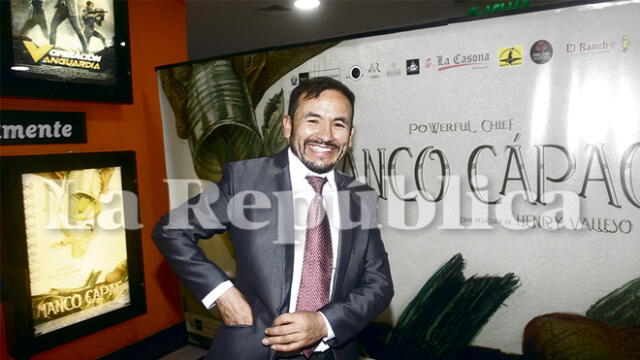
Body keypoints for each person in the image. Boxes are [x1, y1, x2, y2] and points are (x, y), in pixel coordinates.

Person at [153, 77, 393, 360]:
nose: (326, 135)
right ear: (288, 125)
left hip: (332, 350)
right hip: (254, 348)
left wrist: (323, 323)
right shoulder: (245, 180)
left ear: (350, 135)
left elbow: (379, 283)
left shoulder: (361, 197)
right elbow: (171, 230)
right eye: (313, 120)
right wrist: (221, 292)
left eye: (338, 124)